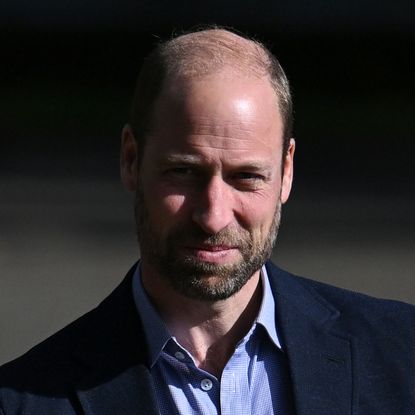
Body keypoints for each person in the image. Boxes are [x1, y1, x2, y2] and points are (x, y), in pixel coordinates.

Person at [0, 27, 414, 415]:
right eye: (183, 172)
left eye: (246, 177)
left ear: (286, 172)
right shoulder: (22, 401)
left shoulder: (402, 353)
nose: (213, 216)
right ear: (131, 160)